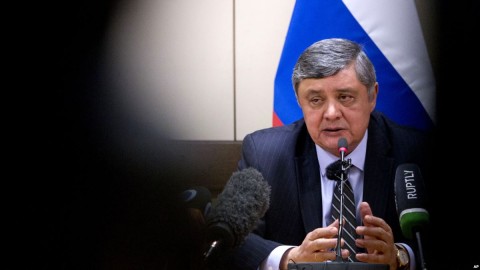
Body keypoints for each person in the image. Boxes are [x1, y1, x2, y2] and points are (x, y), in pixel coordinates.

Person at [215, 38, 432, 270]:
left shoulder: (416, 151)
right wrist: (289, 258)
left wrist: (401, 256)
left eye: (345, 97)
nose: (330, 113)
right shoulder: (264, 153)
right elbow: (224, 237)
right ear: (299, 100)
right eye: (316, 100)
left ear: (372, 96)